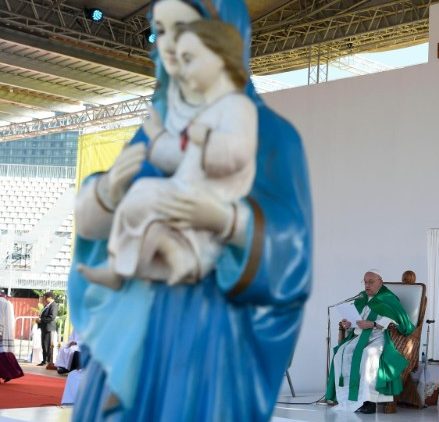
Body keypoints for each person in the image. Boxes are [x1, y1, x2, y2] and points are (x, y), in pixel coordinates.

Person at [67, 0, 312, 420]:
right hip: (135, 324)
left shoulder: (271, 135)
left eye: (183, 29)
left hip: (207, 336)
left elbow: (292, 251)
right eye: (160, 31)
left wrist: (226, 221)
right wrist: (106, 193)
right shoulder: (154, 129)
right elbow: (98, 223)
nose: (169, 45)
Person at [79, 19, 258, 289]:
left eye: (190, 58)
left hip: (207, 195)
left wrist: (206, 139)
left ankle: (150, 262)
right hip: (184, 189)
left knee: (143, 197)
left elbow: (237, 154)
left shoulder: (238, 108)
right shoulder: (206, 111)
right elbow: (181, 156)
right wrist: (158, 136)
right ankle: (147, 262)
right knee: (143, 208)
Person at [326, 270, 415, 414]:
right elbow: (357, 319)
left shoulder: (388, 298)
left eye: (371, 282)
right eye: (365, 282)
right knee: (341, 354)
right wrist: (348, 324)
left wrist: (373, 324)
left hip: (379, 337)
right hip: (359, 337)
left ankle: (369, 401)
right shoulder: (361, 298)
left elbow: (401, 323)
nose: (367, 285)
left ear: (380, 281)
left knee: (368, 355)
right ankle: (345, 398)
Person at [0, 291, 24, 383]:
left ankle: (8, 373)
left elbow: (0, 317)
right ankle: (9, 373)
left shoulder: (1, 302)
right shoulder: (7, 302)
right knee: (5, 353)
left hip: (1, 330)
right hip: (6, 331)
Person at [37, 292, 58, 370]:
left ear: (50, 297)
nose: (44, 299)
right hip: (44, 328)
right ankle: (44, 360)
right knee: (44, 345)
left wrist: (41, 320)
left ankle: (49, 361)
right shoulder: (47, 306)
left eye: (45, 297)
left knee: (48, 345)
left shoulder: (54, 305)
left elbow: (52, 317)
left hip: (49, 328)